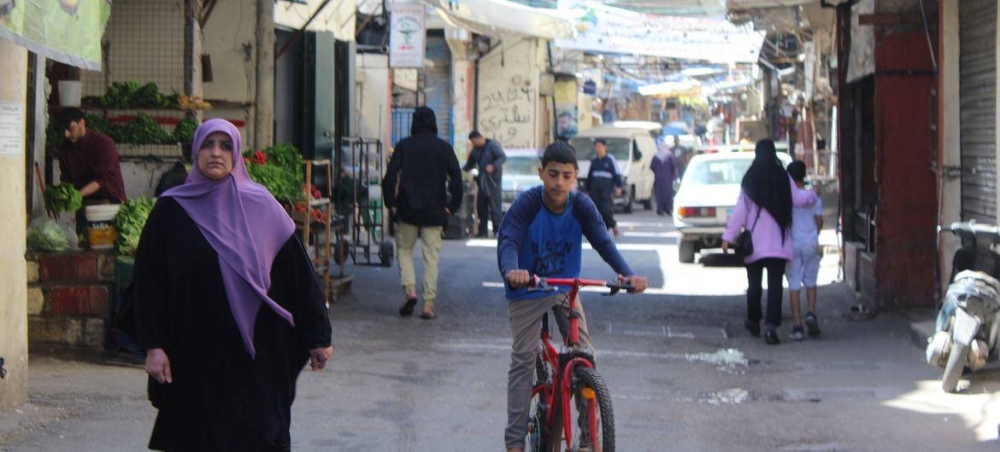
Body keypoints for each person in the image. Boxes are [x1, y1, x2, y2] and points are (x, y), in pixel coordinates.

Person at [129, 118, 333, 452]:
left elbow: (299, 276)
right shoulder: (170, 210)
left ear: (237, 153)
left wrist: (318, 337)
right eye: (208, 145)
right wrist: (154, 346)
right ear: (196, 150)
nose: (216, 153)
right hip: (191, 352)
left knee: (258, 434)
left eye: (225, 146)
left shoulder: (263, 207)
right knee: (195, 437)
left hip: (255, 352)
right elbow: (149, 283)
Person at [497, 141, 648, 452]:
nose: (559, 182)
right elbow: (509, 239)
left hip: (565, 288)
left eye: (567, 176)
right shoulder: (527, 204)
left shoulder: (581, 205)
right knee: (523, 359)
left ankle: (587, 440)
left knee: (585, 357)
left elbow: (603, 242)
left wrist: (627, 274)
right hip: (527, 289)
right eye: (553, 174)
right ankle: (514, 443)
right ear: (541, 173)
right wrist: (513, 270)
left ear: (576, 176)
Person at [721, 139, 817, 345]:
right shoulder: (783, 177)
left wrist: (728, 237)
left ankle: (754, 320)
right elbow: (799, 200)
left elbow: (739, 212)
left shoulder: (749, 179)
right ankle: (771, 328)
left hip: (754, 245)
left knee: (754, 286)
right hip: (779, 244)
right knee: (775, 287)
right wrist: (813, 195)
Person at [383, 106, 463, 320]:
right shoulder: (444, 148)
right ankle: (428, 305)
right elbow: (457, 179)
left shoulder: (404, 145)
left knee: (405, 251)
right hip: (435, 211)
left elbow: (390, 175)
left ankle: (410, 291)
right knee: (431, 257)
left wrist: (390, 202)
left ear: (414, 123)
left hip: (407, 209)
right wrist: (452, 206)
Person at [56, 107, 128, 235]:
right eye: (63, 130)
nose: (66, 134)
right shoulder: (64, 149)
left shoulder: (104, 143)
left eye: (70, 128)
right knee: (84, 243)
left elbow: (102, 180)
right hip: (82, 204)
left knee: (106, 243)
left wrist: (77, 195)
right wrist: (61, 198)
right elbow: (66, 180)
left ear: (81, 123)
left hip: (109, 203)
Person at [785, 160, 824, 340]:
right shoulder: (814, 196)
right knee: (811, 281)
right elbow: (819, 222)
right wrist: (814, 235)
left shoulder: (787, 198)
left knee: (794, 285)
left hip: (792, 244)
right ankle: (810, 312)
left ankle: (798, 326)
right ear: (804, 175)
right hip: (810, 243)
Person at [463, 131, 507, 238]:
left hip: (493, 182)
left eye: (474, 141)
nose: (473, 144)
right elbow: (470, 164)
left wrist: (493, 166)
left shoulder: (493, 145)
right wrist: (460, 172)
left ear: (479, 138)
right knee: (481, 207)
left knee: (495, 207)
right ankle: (482, 231)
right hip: (482, 182)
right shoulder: (476, 150)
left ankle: (498, 231)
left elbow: (502, 157)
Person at [584, 138, 623, 237]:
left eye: (600, 147)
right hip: (594, 191)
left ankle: (613, 225)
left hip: (607, 191)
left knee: (606, 211)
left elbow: (617, 174)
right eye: (597, 147)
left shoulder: (610, 160)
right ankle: (601, 231)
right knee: (596, 211)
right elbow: (590, 176)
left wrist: (619, 186)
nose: (598, 149)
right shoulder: (594, 161)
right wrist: (587, 190)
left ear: (605, 147)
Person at [650, 139, 678, 216]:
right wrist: (673, 176)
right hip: (668, 179)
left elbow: (651, 167)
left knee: (659, 194)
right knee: (668, 194)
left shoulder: (656, 156)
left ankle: (660, 210)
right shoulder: (669, 156)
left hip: (658, 179)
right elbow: (673, 167)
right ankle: (668, 208)